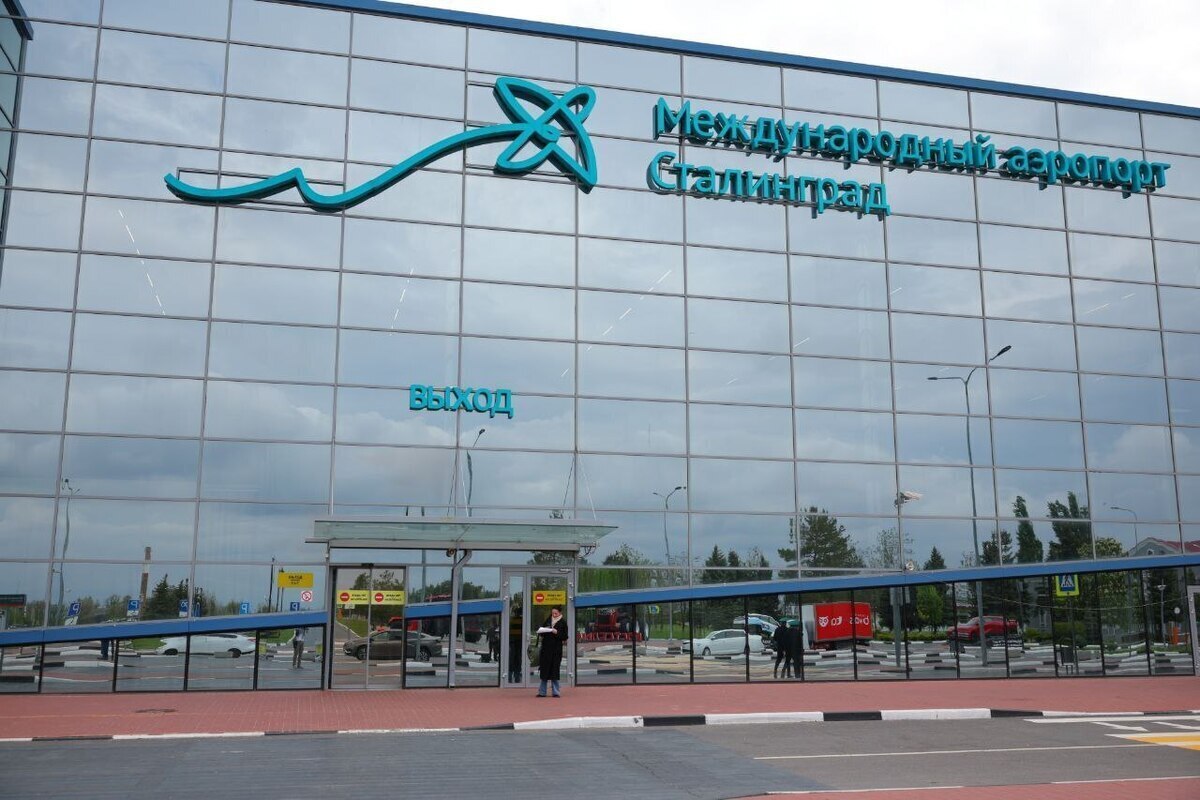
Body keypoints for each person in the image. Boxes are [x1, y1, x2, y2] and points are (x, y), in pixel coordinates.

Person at [535, 606, 568, 698]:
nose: (554, 615)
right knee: (544, 670)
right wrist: (543, 631)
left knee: (555, 671)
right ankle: (542, 692)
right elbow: (541, 632)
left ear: (560, 613)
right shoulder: (548, 620)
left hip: (556, 650)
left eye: (555, 613)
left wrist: (556, 632)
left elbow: (565, 636)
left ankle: (556, 692)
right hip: (546, 650)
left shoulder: (563, 622)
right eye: (552, 613)